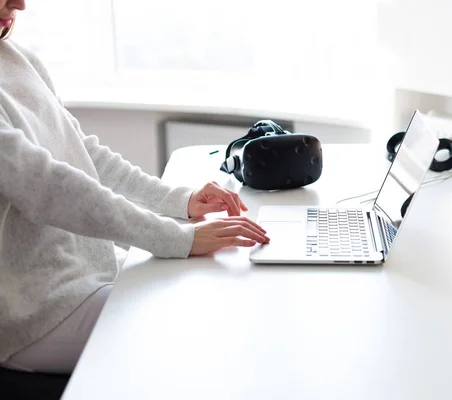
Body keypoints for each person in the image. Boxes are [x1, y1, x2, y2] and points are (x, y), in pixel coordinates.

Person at [0, 0, 269, 375]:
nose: (20, 4)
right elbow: (52, 190)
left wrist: (180, 200)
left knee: (220, 288)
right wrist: (179, 238)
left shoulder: (18, 59)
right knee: (203, 332)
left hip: (90, 273)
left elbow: (85, 154)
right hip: (36, 311)